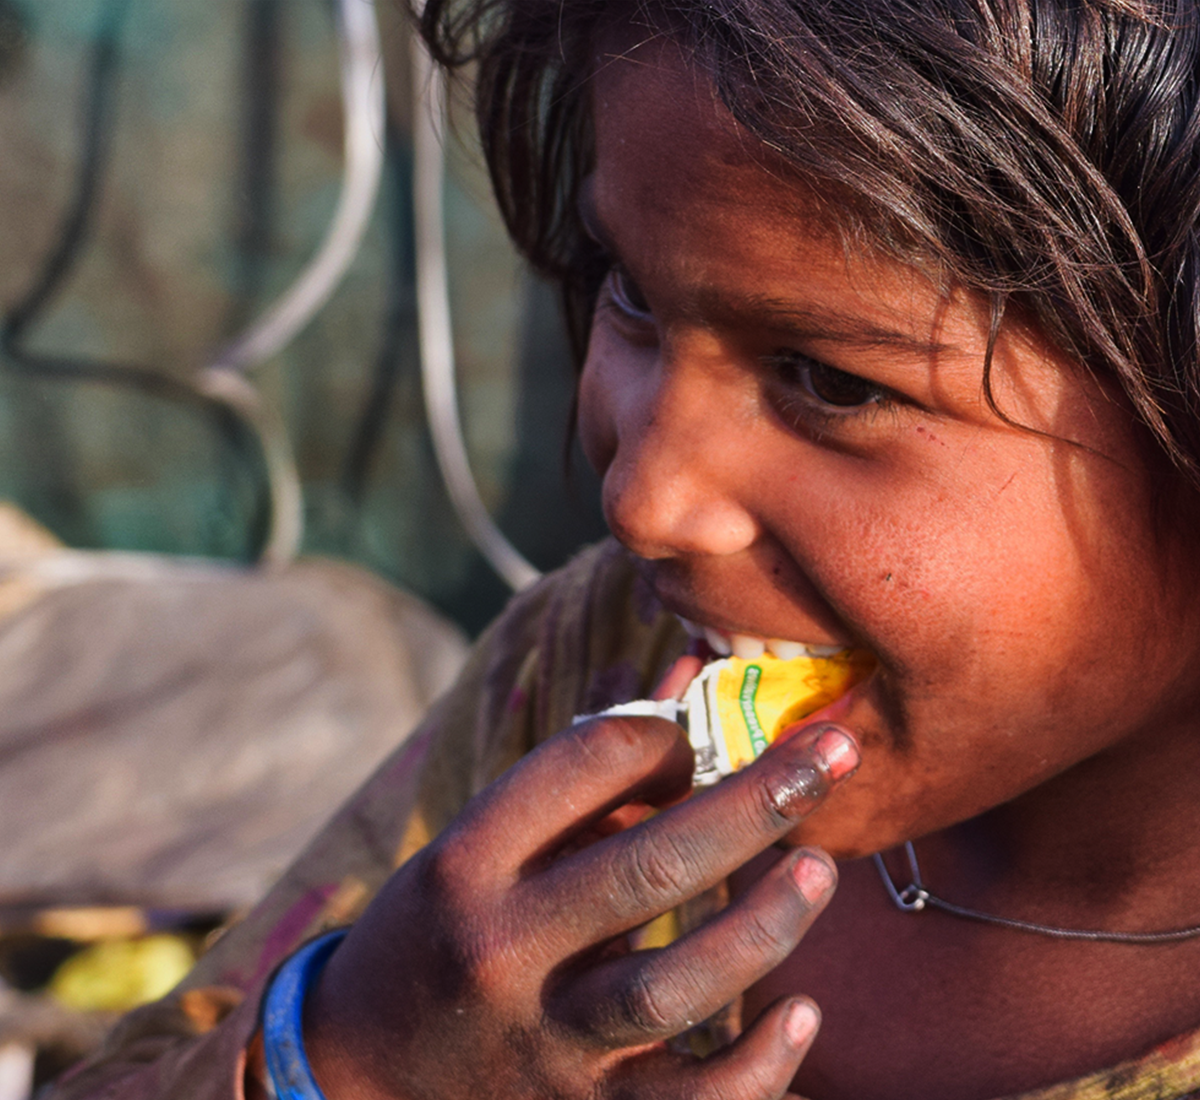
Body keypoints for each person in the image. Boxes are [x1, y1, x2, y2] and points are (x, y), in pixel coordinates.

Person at [48, 0, 1200, 1097]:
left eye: (833, 383)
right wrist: (349, 1057)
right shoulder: (593, 667)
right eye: (630, 293)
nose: (643, 502)